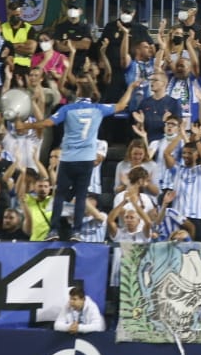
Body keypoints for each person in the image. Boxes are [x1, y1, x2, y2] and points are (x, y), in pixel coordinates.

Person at [32, 79, 139, 241]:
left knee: (61, 196)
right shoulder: (97, 109)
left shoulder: (70, 111)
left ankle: (57, 231)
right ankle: (75, 232)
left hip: (75, 167)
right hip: (84, 165)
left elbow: (48, 122)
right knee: (76, 197)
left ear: (79, 93)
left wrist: (26, 126)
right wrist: (130, 88)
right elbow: (120, 106)